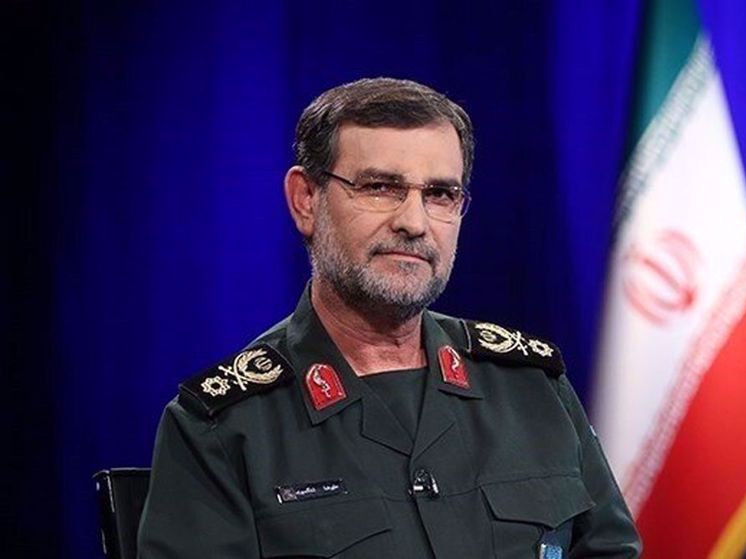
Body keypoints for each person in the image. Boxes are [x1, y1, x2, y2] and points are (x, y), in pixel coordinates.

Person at [137, 77, 641, 558]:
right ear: (305, 201)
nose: (415, 223)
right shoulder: (223, 427)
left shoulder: (533, 389)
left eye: (440, 195)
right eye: (380, 187)